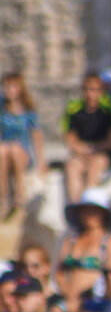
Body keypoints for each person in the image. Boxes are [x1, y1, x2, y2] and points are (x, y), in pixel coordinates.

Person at [56, 187, 111, 312]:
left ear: (103, 214)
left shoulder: (109, 242)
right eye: (87, 210)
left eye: (95, 211)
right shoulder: (71, 240)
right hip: (68, 299)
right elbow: (59, 271)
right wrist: (67, 292)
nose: (90, 215)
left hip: (96, 302)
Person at [61, 71, 111, 202]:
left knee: (95, 165)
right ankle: (76, 204)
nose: (91, 94)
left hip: (103, 153)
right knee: (72, 166)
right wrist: (83, 150)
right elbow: (70, 138)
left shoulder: (109, 110)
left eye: (95, 90)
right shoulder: (74, 109)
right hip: (83, 152)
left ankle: (89, 204)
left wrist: (93, 149)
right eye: (88, 89)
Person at [0, 72, 47, 217]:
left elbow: (37, 137)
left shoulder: (28, 111)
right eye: (6, 86)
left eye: (13, 86)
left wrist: (41, 162)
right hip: (4, 154)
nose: (9, 90)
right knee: (4, 150)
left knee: (13, 148)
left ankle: (20, 194)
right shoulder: (2, 108)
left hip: (22, 154)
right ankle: (3, 197)